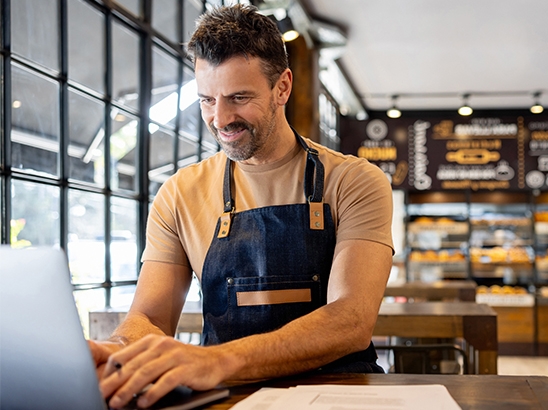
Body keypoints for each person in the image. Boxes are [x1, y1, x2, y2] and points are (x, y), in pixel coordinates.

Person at [88, 4, 394, 408]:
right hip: (225, 398)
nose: (220, 118)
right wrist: (119, 350)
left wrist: (216, 361)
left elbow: (350, 320)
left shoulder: (354, 181)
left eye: (239, 97)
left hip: (341, 393)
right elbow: (152, 319)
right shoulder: (179, 193)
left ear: (282, 87)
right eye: (206, 100)